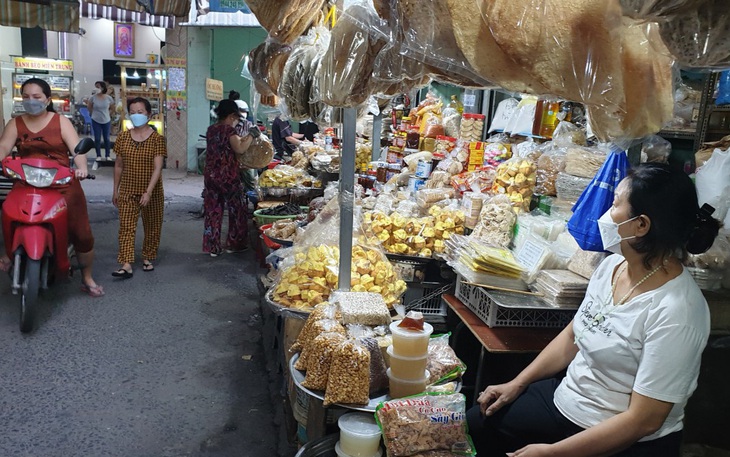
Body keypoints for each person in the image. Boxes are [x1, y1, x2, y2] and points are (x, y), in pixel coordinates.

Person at [467, 163, 721, 457]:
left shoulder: (678, 312)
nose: (605, 215)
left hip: (625, 438)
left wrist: (552, 453)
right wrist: (518, 382)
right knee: (473, 425)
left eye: (615, 205)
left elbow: (644, 420)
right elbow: (575, 334)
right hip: (566, 401)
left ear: (641, 225)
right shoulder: (613, 265)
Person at [0, 78, 104, 297]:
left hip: (61, 182)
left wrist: (81, 168)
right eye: (26, 97)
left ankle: (86, 277)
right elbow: (3, 147)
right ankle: (10, 253)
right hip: (26, 181)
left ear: (47, 99)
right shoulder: (15, 123)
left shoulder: (60, 122)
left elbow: (78, 150)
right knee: (9, 210)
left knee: (81, 232)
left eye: (36, 97)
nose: (31, 101)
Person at [111, 97, 166, 278]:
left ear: (149, 114)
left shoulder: (157, 139)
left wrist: (148, 192)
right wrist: (115, 190)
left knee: (152, 225)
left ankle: (147, 257)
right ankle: (126, 263)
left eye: (140, 112)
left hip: (152, 191)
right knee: (126, 227)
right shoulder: (123, 137)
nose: (136, 115)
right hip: (127, 189)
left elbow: (158, 167)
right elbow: (118, 165)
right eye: (132, 112)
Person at [203, 99, 258, 257]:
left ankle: (212, 247)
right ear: (232, 116)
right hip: (228, 176)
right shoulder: (229, 131)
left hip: (211, 176)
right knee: (237, 209)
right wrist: (252, 135)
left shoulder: (211, 130)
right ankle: (235, 244)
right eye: (235, 118)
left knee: (213, 210)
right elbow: (239, 148)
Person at [86, 80, 114, 161]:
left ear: (102, 87)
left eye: (98, 87)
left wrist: (109, 114)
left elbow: (112, 108)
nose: (96, 88)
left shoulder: (109, 98)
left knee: (107, 138)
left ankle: (107, 155)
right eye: (96, 87)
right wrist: (92, 114)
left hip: (106, 120)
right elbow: (89, 107)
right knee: (97, 138)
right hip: (96, 120)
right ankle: (98, 155)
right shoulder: (92, 98)